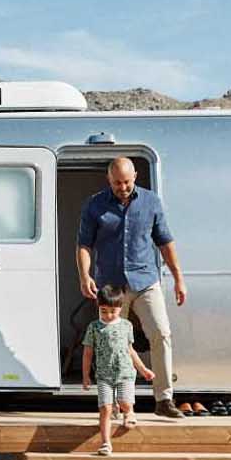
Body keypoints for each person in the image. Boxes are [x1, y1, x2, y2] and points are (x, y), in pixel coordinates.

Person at [76, 156, 188, 417]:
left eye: (126, 182)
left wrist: (179, 278)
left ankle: (163, 399)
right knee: (112, 344)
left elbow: (165, 242)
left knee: (161, 333)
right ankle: (115, 403)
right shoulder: (95, 204)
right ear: (109, 179)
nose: (122, 187)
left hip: (146, 280)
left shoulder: (151, 202)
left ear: (135, 176)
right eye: (117, 183)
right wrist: (84, 276)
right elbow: (83, 244)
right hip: (111, 286)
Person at [81, 282, 152, 456]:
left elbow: (130, 350)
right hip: (104, 375)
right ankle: (106, 443)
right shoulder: (94, 328)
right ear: (98, 307)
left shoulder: (126, 326)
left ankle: (129, 412)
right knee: (104, 407)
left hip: (125, 373)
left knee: (124, 401)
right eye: (103, 311)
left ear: (120, 308)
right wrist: (85, 375)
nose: (108, 315)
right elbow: (88, 353)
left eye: (112, 311)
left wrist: (143, 369)